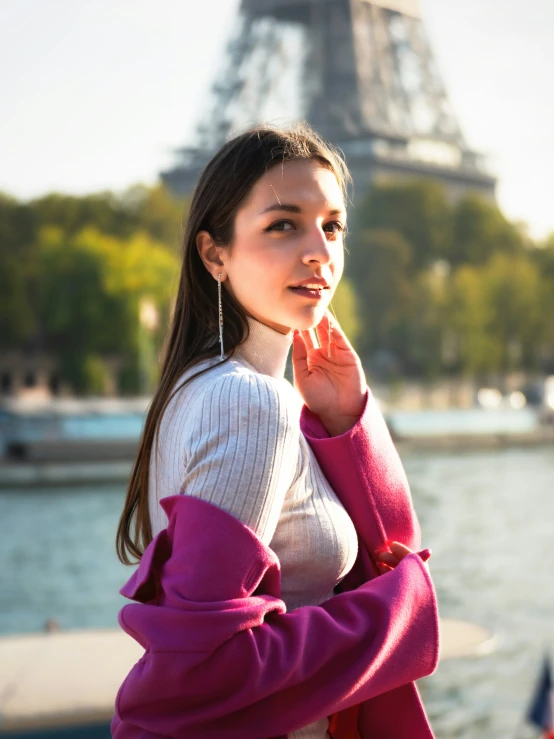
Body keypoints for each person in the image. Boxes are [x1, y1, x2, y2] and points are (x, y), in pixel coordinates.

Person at [112, 123, 439, 739]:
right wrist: (402, 611)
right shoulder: (248, 401)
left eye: (333, 225)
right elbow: (199, 672)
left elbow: (385, 553)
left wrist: (348, 425)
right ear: (215, 253)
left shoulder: (202, 385)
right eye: (283, 224)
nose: (320, 251)